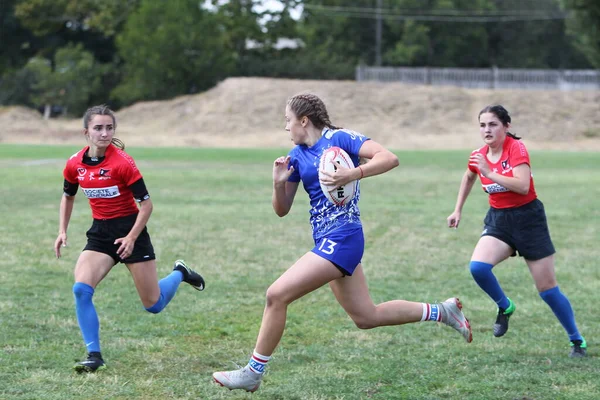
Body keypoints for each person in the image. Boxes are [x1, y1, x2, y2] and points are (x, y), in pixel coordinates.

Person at [212, 93, 472, 393]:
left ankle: (253, 372)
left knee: (276, 295)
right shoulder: (295, 155)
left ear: (304, 120)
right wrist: (278, 183)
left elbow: (389, 157)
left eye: (287, 120)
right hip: (326, 239)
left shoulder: (341, 139)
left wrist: (353, 172)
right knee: (366, 316)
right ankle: (443, 311)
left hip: (344, 237)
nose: (286, 127)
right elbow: (282, 210)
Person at [54, 105, 206, 373]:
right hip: (101, 234)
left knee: (154, 305)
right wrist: (62, 230)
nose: (104, 133)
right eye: (98, 128)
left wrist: (132, 237)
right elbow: (68, 196)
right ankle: (94, 354)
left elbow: (146, 205)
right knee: (81, 289)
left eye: (109, 128)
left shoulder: (122, 162)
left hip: (131, 230)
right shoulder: (75, 163)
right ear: (86, 132)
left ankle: (180, 273)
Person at [446, 104, 586, 357]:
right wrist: (458, 210)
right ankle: (505, 306)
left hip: (529, 220)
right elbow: (469, 176)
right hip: (499, 220)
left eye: (493, 124)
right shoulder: (478, 155)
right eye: (482, 125)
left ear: (506, 126)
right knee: (478, 267)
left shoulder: (517, 149)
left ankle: (577, 340)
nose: (486, 130)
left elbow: (522, 186)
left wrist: (490, 172)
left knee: (548, 290)